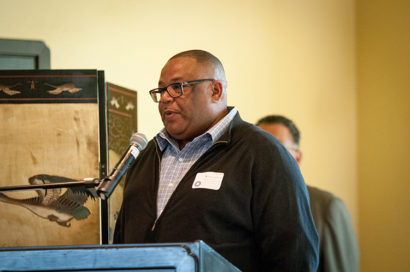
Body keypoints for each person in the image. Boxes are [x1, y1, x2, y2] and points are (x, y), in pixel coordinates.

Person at [114, 50, 319, 271]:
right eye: (162, 89)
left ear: (215, 90)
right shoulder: (145, 156)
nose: (165, 98)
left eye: (177, 87)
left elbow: (294, 255)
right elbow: (120, 245)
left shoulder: (262, 153)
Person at [256, 115, 360, 272]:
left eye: (277, 149)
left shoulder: (327, 207)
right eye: (259, 149)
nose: (266, 158)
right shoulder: (242, 206)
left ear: (297, 158)